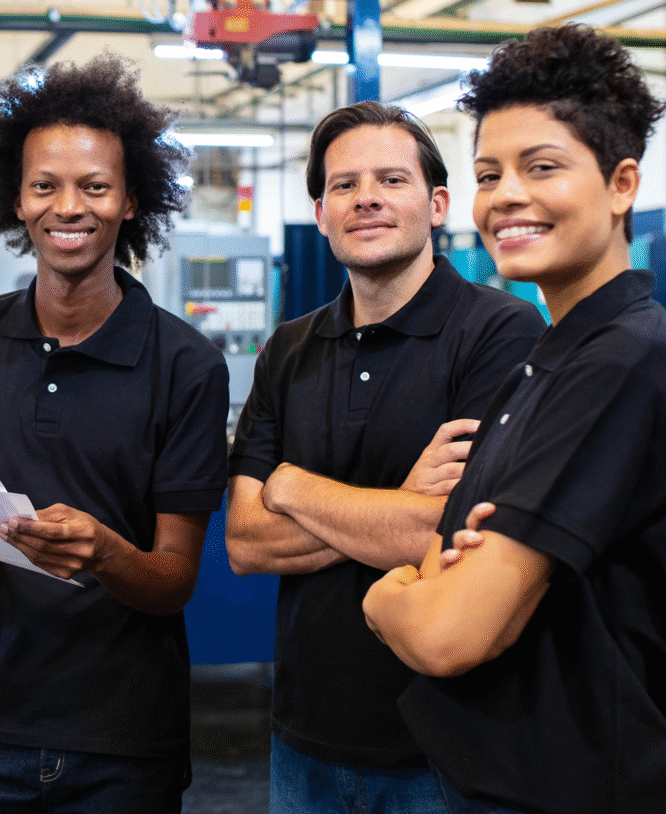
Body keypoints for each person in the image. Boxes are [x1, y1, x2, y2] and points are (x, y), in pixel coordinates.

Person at [363, 23, 666, 814]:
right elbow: (442, 558)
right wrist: (436, 581)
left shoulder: (622, 364)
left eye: (543, 167)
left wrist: (385, 595)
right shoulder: (548, 359)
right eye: (489, 174)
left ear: (623, 183)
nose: (506, 198)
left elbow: (445, 632)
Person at [0, 55, 229, 814]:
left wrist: (107, 553)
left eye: (95, 186)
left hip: (123, 746)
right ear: (16, 200)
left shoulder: (187, 364)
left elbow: (174, 580)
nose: (69, 207)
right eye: (45, 185)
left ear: (129, 201)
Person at [225, 100, 545, 814]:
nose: (365, 196)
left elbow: (453, 534)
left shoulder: (502, 333)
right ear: (320, 212)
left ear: (436, 205)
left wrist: (293, 484)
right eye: (344, 185)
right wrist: (400, 502)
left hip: (447, 746)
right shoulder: (288, 349)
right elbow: (244, 543)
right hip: (304, 740)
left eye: (390, 180)